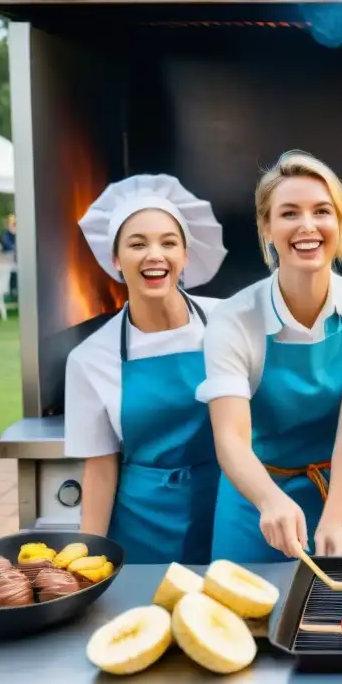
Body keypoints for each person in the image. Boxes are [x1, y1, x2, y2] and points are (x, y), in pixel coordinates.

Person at [197, 151, 342, 561]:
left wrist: (335, 519)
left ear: (341, 223)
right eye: (289, 213)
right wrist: (270, 501)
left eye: (321, 211)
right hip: (255, 505)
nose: (307, 226)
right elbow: (231, 438)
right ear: (266, 228)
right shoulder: (232, 318)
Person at [65, 174, 227, 563]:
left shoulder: (228, 322)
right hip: (140, 529)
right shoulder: (90, 358)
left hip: (226, 510)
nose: (155, 255)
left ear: (185, 255)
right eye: (137, 244)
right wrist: (88, 563)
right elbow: (100, 470)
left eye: (168, 243)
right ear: (116, 259)